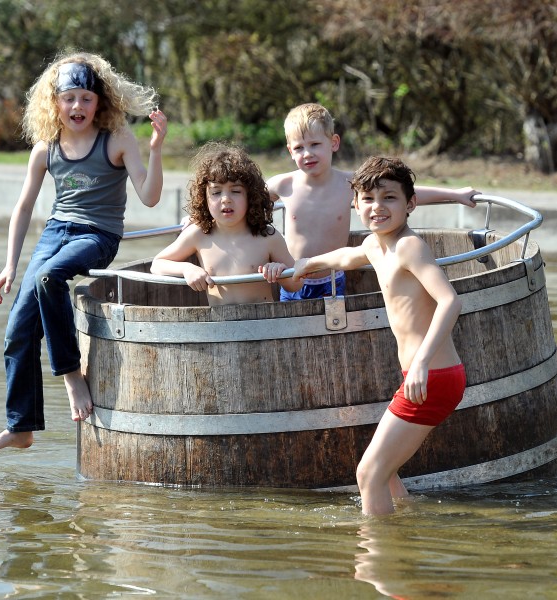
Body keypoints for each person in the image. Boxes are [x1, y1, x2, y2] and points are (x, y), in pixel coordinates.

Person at [0, 52, 168, 452]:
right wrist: (10, 264)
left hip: (97, 236)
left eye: (85, 98)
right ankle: (21, 427)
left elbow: (149, 198)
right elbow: (24, 207)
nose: (77, 106)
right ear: (55, 102)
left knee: (50, 278)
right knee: (16, 333)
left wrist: (156, 148)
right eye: (69, 98)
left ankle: (71, 375)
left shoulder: (116, 139)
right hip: (54, 234)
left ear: (100, 101)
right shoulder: (46, 148)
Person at [292, 156, 466, 516]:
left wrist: (420, 363)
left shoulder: (408, 246)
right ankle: (405, 525)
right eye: (368, 199)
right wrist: (305, 265)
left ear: (410, 204)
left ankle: (379, 556)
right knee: (384, 474)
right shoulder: (376, 245)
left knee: (368, 474)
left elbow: (450, 301)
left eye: (389, 198)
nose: (377, 207)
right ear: (355, 204)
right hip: (422, 376)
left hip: (432, 375)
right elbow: (347, 256)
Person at [269, 102, 479, 302]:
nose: (307, 154)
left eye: (315, 144)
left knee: (332, 330)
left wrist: (454, 194)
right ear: (290, 150)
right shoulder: (283, 184)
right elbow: (248, 204)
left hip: (331, 280)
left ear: (333, 143)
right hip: (293, 279)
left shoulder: (349, 183)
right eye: (299, 148)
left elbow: (403, 193)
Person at [150, 142, 301, 305]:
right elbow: (157, 264)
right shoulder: (198, 234)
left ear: (251, 196)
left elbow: (296, 284)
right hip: (220, 326)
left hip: (263, 323)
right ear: (204, 197)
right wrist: (187, 269)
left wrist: (280, 271)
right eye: (216, 192)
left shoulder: (267, 236)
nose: (226, 199)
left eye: (235, 191)